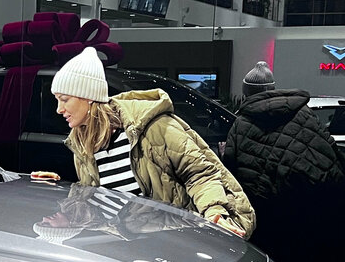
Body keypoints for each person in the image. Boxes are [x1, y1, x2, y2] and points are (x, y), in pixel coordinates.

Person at [51, 46, 255, 237]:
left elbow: (199, 174)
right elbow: (99, 199)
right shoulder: (82, 143)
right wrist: (53, 185)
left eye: (65, 99)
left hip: (179, 239)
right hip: (127, 244)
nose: (59, 109)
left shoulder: (154, 128)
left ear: (89, 97)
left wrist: (214, 212)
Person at [225, 61, 345, 262]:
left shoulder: (242, 123)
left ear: (247, 92)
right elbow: (330, 151)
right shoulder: (304, 114)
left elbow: (232, 171)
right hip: (315, 203)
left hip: (273, 210)